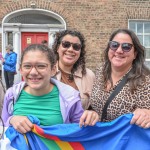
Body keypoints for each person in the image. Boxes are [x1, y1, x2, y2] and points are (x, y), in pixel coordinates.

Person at [1, 44, 98, 136]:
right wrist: (11, 120)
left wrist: (90, 117)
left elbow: (81, 132)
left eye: (41, 66)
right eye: (27, 66)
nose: (33, 72)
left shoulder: (70, 97)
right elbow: (3, 128)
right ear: (20, 69)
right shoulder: (11, 95)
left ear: (53, 69)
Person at [89, 28, 150, 128]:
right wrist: (91, 113)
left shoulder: (145, 80)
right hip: (99, 137)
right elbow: (97, 106)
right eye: (114, 45)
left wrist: (147, 114)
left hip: (124, 141)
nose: (119, 50)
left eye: (126, 47)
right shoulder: (101, 70)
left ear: (135, 54)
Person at [53, 30, 95, 110]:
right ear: (57, 48)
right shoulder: (46, 73)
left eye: (76, 47)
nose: (70, 49)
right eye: (66, 44)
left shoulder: (89, 76)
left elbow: (95, 107)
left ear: (80, 52)